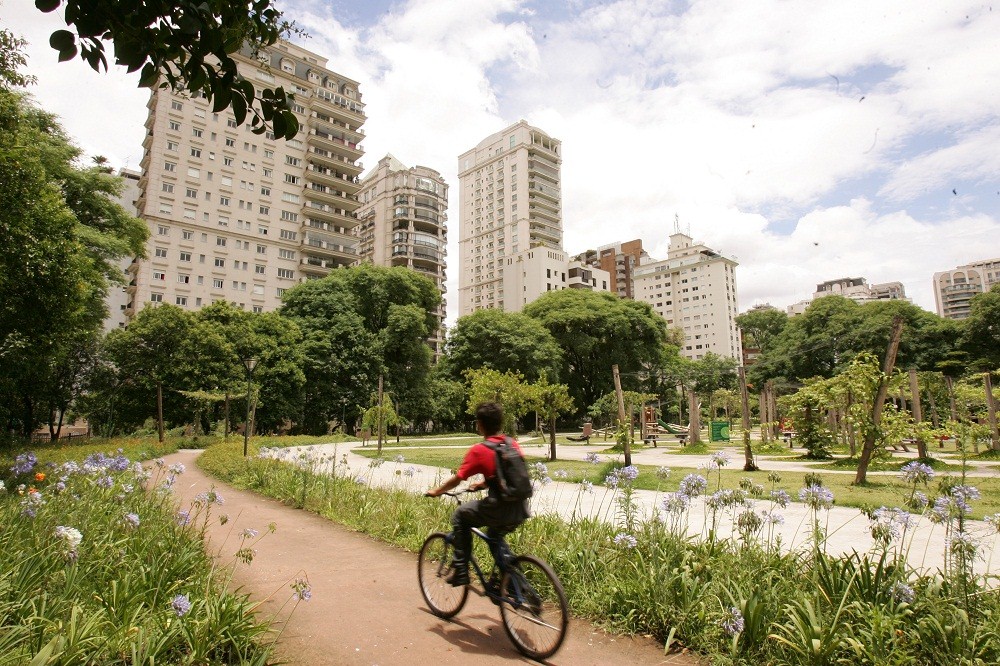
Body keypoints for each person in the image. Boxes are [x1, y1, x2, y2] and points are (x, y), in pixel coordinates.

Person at [426, 402, 530, 586]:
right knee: (494, 536)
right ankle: (515, 585)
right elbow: (509, 476)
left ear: (480, 424)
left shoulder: (479, 450)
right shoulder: (511, 443)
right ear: (500, 422)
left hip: (499, 508)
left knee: (460, 516)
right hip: (520, 508)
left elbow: (458, 479)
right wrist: (483, 484)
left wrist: (437, 491)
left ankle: (461, 570)